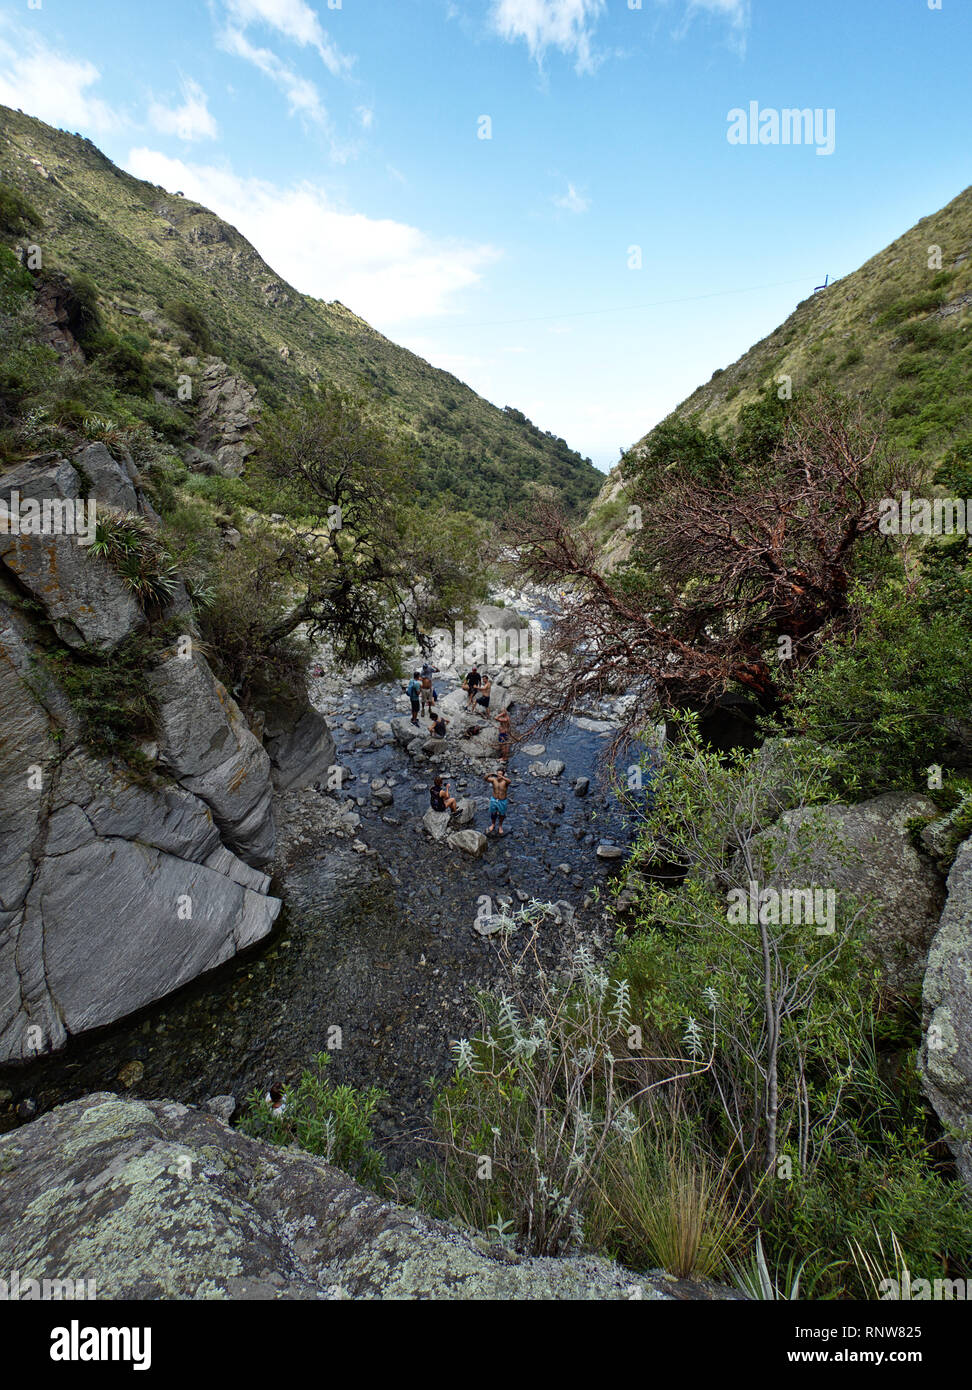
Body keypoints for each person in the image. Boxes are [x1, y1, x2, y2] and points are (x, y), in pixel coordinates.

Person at [485, 769, 511, 835]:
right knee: (493, 813)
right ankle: (493, 824)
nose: (498, 775)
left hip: (502, 800)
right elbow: (485, 779)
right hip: (494, 799)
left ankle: (500, 826)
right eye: (498, 774)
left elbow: (510, 781)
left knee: (502, 814)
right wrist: (489, 774)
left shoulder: (505, 781)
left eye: (500, 774)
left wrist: (502, 777)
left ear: (503, 775)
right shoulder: (494, 780)